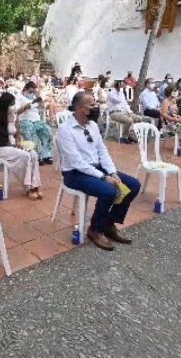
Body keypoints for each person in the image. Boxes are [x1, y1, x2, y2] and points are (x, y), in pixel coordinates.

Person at [56, 91, 140, 251]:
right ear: (80, 107)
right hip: (75, 173)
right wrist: (103, 177)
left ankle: (108, 223)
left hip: (97, 168)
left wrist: (112, 172)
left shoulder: (92, 125)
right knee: (109, 191)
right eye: (92, 105)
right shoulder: (65, 129)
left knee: (133, 185)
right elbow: (76, 162)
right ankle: (95, 229)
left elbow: (102, 151)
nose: (96, 108)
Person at [0, 92, 43, 200]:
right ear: (5, 104)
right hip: (1, 148)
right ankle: (28, 187)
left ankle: (35, 186)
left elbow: (17, 134)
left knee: (34, 154)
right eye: (11, 104)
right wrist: (14, 145)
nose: (13, 106)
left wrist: (19, 143)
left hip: (12, 146)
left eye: (14, 104)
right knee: (25, 156)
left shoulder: (14, 116)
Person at [15, 81, 53, 165]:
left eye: (33, 92)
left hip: (36, 120)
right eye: (30, 92)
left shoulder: (34, 98)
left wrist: (40, 100)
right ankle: (34, 155)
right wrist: (25, 107)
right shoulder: (19, 97)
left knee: (46, 129)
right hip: (24, 120)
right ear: (25, 89)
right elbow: (16, 111)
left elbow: (42, 110)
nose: (32, 94)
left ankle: (46, 154)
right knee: (30, 129)